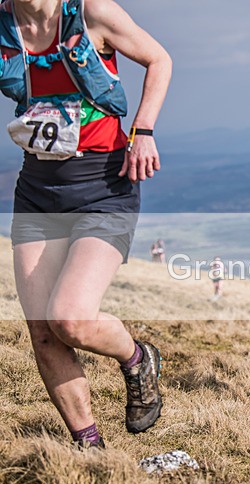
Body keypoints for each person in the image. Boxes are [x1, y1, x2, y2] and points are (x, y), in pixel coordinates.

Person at [4, 0, 171, 448]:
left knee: (70, 318)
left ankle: (137, 359)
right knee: (42, 330)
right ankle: (89, 446)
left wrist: (144, 130)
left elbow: (159, 59)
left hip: (104, 187)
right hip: (38, 191)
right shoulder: (4, 26)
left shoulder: (91, 12)